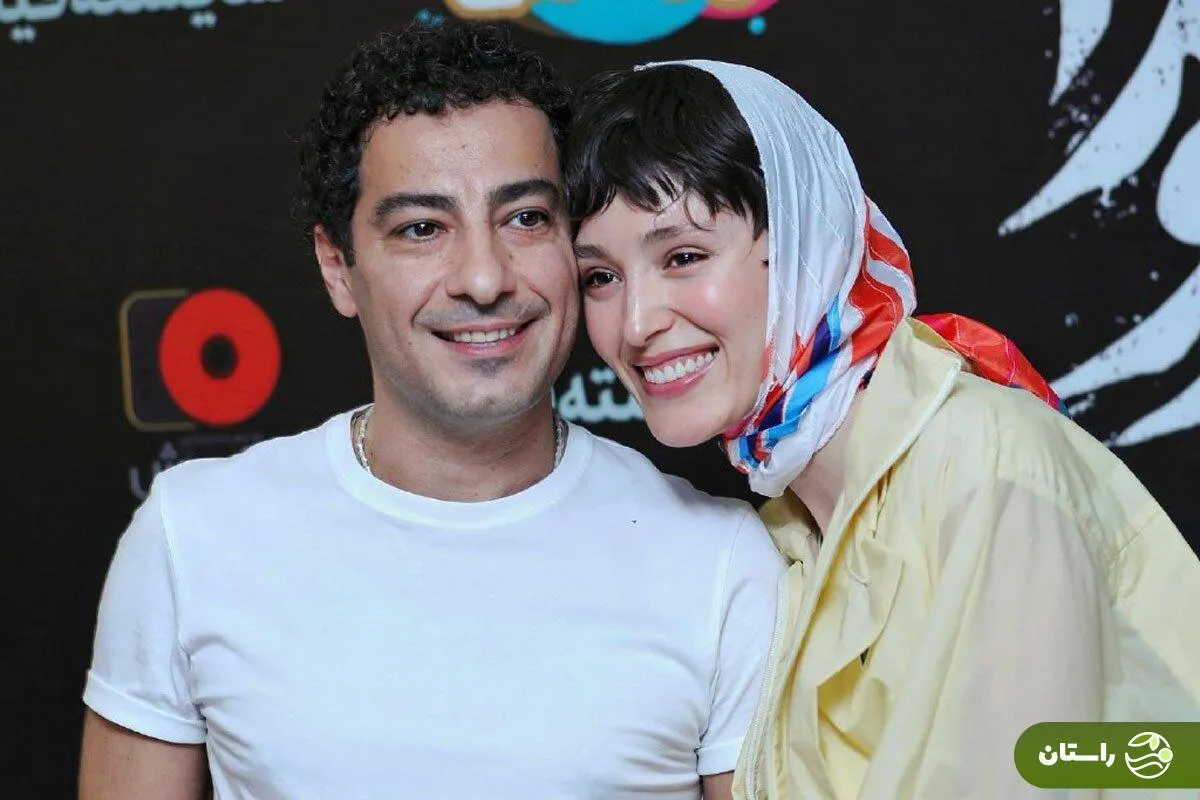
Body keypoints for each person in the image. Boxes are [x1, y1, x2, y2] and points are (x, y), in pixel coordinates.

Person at [78, 27, 785, 800]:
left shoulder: (721, 564)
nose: (483, 278)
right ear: (337, 267)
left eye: (526, 218)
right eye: (422, 229)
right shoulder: (193, 536)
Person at [566, 59, 1200, 798]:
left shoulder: (982, 458)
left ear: (806, 242)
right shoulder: (782, 535)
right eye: (600, 277)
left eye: (683, 257)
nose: (636, 323)